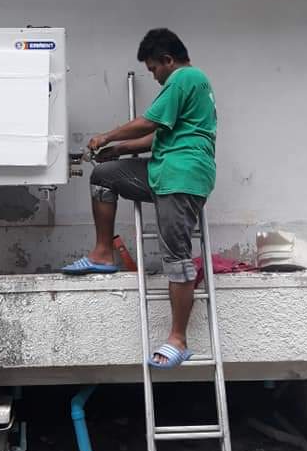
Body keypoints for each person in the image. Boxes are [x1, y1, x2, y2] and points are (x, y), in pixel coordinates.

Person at [62, 28, 217, 369]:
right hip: (164, 169)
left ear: (168, 60)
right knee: (103, 175)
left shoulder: (185, 77)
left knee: (176, 258)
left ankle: (178, 339)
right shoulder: (191, 86)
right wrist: (118, 150)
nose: (154, 76)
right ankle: (103, 254)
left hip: (182, 176)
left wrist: (106, 136)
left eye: (153, 69)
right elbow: (159, 136)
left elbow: (148, 123)